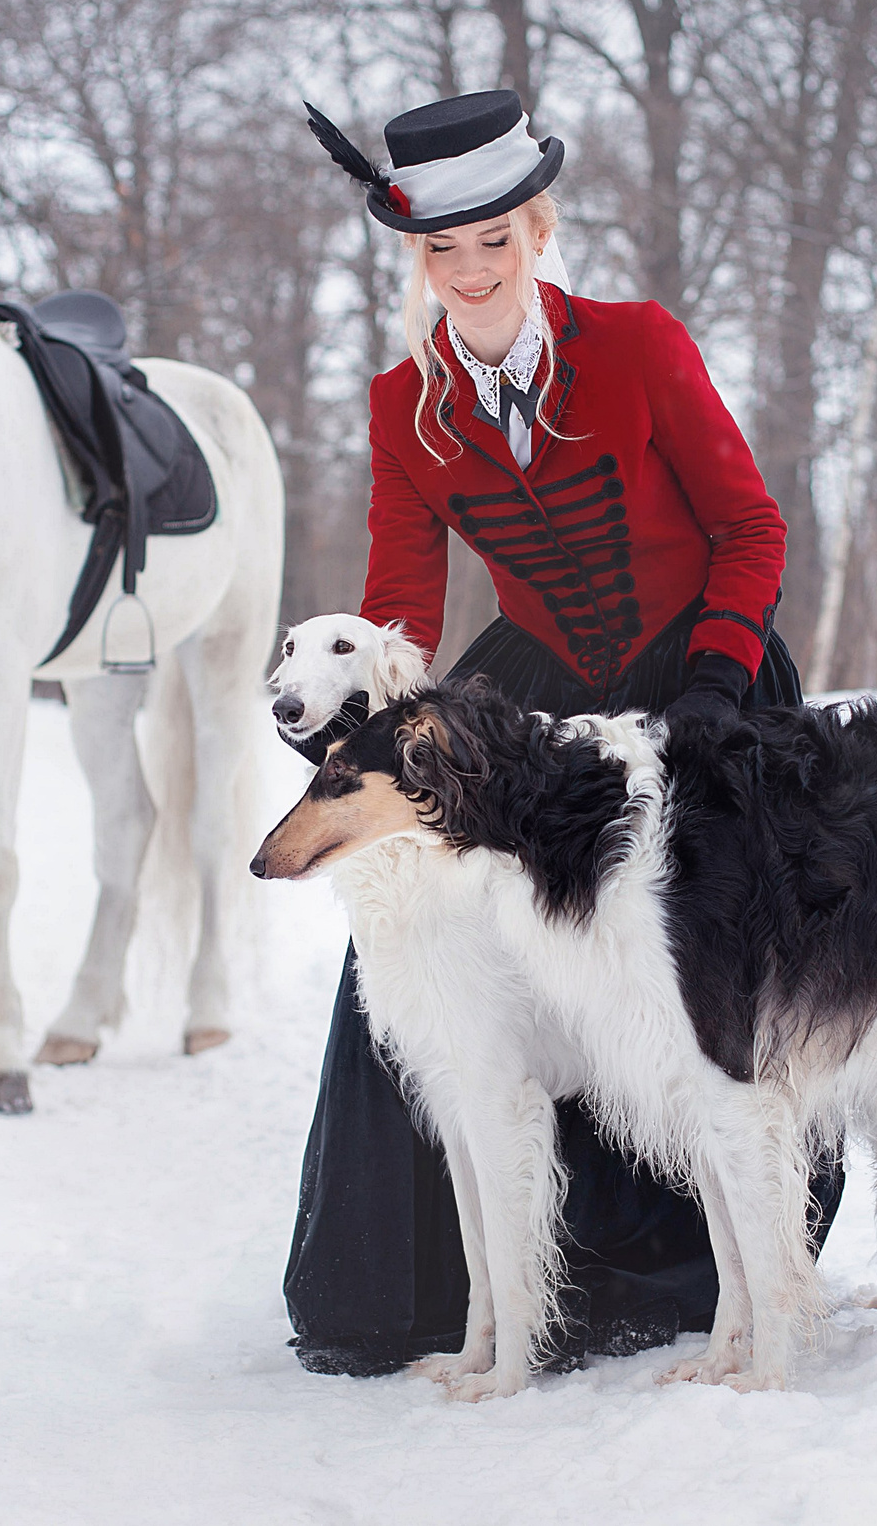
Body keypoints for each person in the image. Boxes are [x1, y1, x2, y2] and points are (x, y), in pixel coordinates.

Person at [284, 88, 845, 1377]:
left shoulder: (638, 345)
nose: (472, 272)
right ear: (415, 261)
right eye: (443, 252)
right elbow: (399, 605)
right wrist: (347, 711)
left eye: (495, 241)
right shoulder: (401, 407)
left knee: (714, 971)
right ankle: (410, 1295)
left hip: (707, 673)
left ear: (538, 232)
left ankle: (727, 1273)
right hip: (538, 688)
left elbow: (750, 529)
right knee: (428, 942)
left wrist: (714, 678)